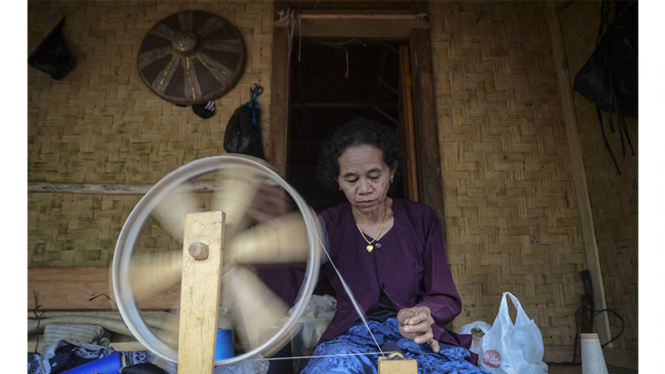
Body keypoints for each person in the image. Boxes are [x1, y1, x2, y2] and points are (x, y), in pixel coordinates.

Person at [296, 117, 486, 374]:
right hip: (350, 340)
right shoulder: (327, 224)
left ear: (392, 172)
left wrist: (422, 313)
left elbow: (445, 295)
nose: (364, 189)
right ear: (337, 181)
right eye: (351, 180)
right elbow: (291, 278)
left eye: (374, 176)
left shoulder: (421, 219)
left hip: (415, 338)